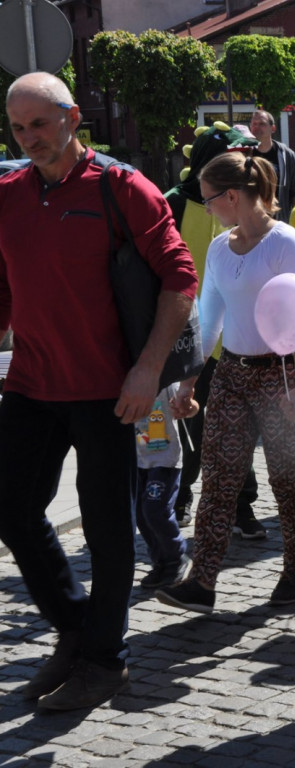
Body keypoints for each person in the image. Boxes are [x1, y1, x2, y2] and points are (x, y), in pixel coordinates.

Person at [0, 72, 197, 710]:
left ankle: (104, 660)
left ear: (73, 117)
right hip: (31, 382)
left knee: (108, 530)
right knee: (11, 510)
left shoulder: (121, 188)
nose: (29, 137)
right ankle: (77, 629)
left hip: (110, 392)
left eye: (40, 122)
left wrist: (148, 369)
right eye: (18, 126)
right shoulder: (7, 193)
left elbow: (179, 278)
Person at [156, 152, 295, 614]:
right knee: (219, 480)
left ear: (231, 196)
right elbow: (209, 320)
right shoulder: (221, 248)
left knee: (288, 482)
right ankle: (201, 582)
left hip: (280, 375)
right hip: (230, 374)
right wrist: (189, 382)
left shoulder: (285, 242)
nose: (205, 208)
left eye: (208, 200)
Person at [164, 122, 264, 536]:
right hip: (185, 337)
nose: (244, 165)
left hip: (237, 337)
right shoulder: (170, 203)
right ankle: (181, 495)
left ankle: (242, 507)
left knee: (238, 429)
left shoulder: (246, 204)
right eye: (235, 158)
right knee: (187, 424)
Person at [135, 385, 199, 588]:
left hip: (164, 461)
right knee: (141, 515)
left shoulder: (165, 379)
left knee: (155, 510)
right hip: (137, 460)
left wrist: (188, 406)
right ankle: (160, 562)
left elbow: (191, 404)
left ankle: (176, 557)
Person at [250, 109, 295, 222]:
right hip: (251, 222)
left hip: (278, 221)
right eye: (254, 124)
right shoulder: (244, 153)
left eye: (262, 124)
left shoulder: (287, 155)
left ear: (273, 128)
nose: (257, 127)